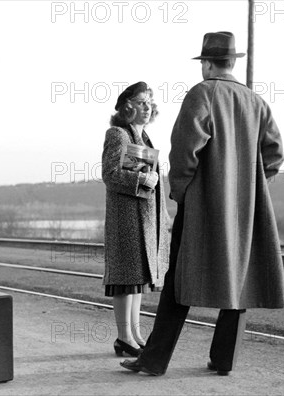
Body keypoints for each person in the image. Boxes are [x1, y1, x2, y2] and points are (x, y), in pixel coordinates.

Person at [120, 32, 284, 376]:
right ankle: (223, 360)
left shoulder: (203, 93)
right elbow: (275, 154)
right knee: (240, 278)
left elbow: (184, 151)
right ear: (233, 62)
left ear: (207, 64)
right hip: (245, 211)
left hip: (202, 206)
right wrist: (251, 187)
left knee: (179, 279)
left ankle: (154, 360)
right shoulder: (256, 102)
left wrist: (182, 193)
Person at [101, 81, 170, 357]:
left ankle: (135, 335)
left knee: (137, 281)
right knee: (125, 280)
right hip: (126, 221)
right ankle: (123, 338)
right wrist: (144, 178)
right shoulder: (118, 134)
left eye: (149, 101)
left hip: (144, 221)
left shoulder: (144, 137)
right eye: (141, 101)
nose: (147, 106)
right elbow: (110, 174)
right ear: (127, 106)